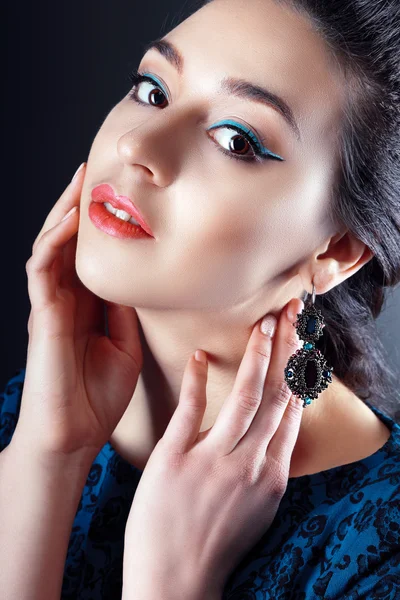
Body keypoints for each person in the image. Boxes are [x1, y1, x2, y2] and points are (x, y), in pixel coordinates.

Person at [1, 0, 399, 598]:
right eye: (154, 90)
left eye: (236, 139)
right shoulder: (24, 417)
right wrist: (47, 458)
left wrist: (172, 585)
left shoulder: (380, 555)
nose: (139, 146)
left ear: (336, 251)